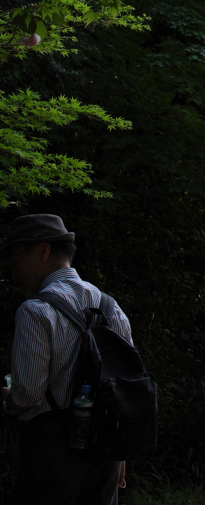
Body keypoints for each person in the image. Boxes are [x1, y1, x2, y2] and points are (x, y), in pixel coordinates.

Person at [1, 213, 132, 504]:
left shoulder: (35, 310)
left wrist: (8, 399)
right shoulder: (111, 308)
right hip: (107, 450)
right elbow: (126, 389)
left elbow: (28, 395)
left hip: (53, 454)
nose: (14, 273)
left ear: (43, 251)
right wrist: (121, 455)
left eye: (16, 259)